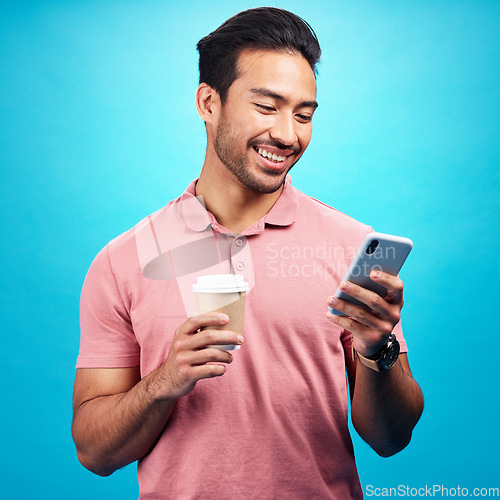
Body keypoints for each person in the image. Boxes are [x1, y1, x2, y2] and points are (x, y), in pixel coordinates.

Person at [72, 7, 424, 499]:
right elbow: (93, 452)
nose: (288, 134)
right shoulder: (123, 261)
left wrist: (377, 352)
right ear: (208, 102)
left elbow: (391, 440)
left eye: (304, 115)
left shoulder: (350, 245)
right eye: (267, 107)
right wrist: (165, 380)